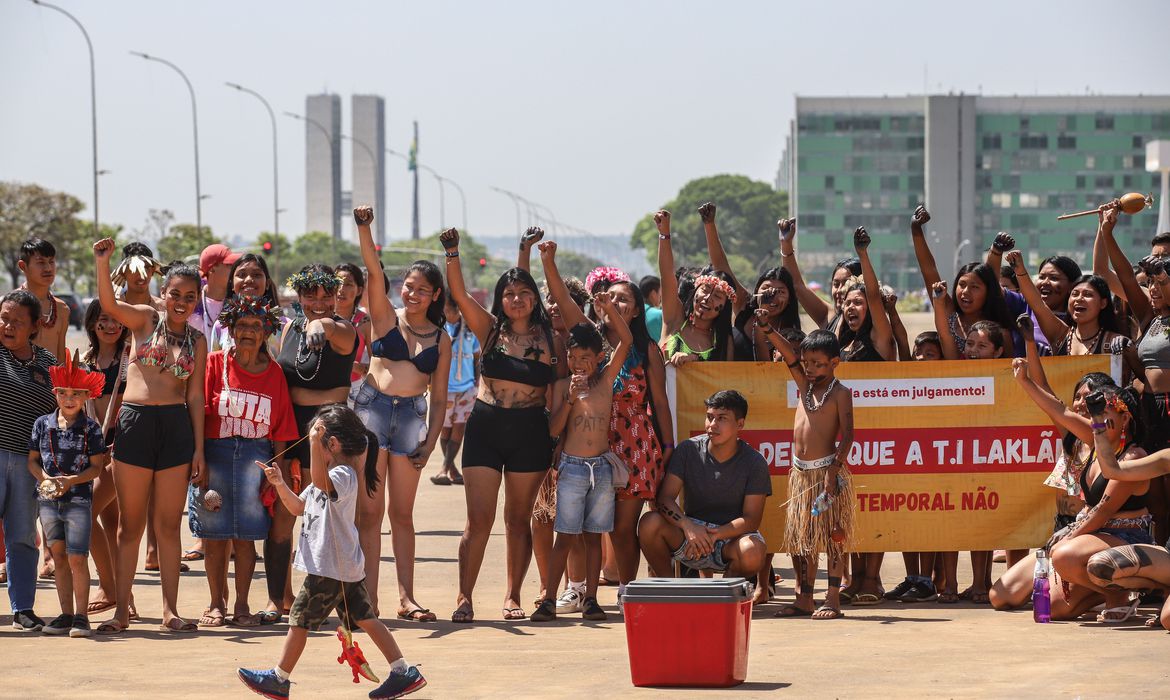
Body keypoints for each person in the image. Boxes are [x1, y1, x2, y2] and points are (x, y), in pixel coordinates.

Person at [239, 407, 426, 700]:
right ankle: (403, 671)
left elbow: (323, 483)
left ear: (333, 445)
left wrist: (314, 442)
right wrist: (279, 484)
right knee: (366, 619)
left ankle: (279, 679)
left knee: (299, 620)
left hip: (330, 568)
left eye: (318, 441)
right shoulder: (323, 480)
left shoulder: (342, 475)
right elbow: (299, 508)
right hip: (342, 566)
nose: (313, 444)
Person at [541, 240, 674, 609]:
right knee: (578, 524)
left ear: (635, 310)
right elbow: (563, 300)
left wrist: (669, 447)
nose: (614, 304)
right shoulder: (591, 339)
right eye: (609, 298)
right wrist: (548, 261)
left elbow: (660, 402)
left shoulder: (645, 349)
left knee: (620, 528)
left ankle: (626, 591)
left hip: (634, 443)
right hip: (589, 443)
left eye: (623, 301)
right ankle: (576, 587)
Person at [441, 227, 559, 623]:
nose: (517, 299)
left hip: (530, 432)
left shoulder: (550, 336)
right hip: (486, 428)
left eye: (524, 293)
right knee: (478, 520)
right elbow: (458, 294)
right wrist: (452, 253)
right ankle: (464, 596)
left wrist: (528, 254)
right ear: (500, 299)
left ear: (534, 297)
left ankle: (512, 596)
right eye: (509, 294)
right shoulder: (490, 329)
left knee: (517, 519)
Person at [91, 237, 207, 635]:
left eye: (190, 297)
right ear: (164, 292)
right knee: (130, 525)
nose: (181, 302)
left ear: (197, 301)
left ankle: (170, 611)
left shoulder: (198, 341)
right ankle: (121, 612)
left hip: (176, 430)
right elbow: (108, 306)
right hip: (135, 423)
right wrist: (102, 262)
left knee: (168, 525)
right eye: (175, 293)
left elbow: (195, 395)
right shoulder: (143, 319)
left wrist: (199, 451)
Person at [353, 206, 451, 621]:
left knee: (403, 514)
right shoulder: (383, 317)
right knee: (370, 513)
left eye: (422, 290)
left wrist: (431, 444)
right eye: (409, 286)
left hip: (413, 417)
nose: (412, 294)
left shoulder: (442, 338)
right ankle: (368, 599)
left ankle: (407, 598)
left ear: (435, 296)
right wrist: (365, 227)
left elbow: (441, 397)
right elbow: (373, 273)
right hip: (373, 412)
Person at [991, 370, 1151, 621]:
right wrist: (1024, 380)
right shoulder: (1096, 438)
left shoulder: (1134, 457)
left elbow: (1104, 511)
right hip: (1089, 535)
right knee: (1003, 595)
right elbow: (1060, 411)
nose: (1096, 423)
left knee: (1063, 559)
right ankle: (1098, 591)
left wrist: (1066, 540)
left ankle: (1118, 594)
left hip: (1124, 537)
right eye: (1095, 418)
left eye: (1104, 416)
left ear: (1125, 419)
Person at [194, 297, 298, 628]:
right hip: (217, 456)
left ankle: (241, 604)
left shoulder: (275, 374)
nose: (248, 332)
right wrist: (199, 458)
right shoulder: (213, 364)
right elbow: (198, 412)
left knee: (246, 537)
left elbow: (281, 427)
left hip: (256, 459)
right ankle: (215, 603)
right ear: (231, 330)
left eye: (256, 326)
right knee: (215, 535)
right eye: (241, 326)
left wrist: (275, 472)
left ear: (267, 331)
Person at [531, 299, 632, 623]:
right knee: (566, 535)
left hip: (601, 468)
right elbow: (553, 429)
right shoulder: (563, 386)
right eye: (573, 358)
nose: (578, 365)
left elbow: (627, 340)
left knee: (593, 537)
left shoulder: (605, 382)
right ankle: (548, 598)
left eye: (585, 359)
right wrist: (571, 398)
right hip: (573, 468)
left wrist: (607, 310)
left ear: (599, 358)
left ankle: (591, 599)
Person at [272, 263, 356, 621]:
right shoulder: (290, 328)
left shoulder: (345, 330)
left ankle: (346, 603)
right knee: (282, 515)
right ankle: (280, 601)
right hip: (291, 429)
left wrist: (321, 326)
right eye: (310, 294)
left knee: (327, 517)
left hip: (330, 434)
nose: (318, 301)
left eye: (326, 294)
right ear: (300, 294)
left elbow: (329, 328)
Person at [758, 328, 855, 619]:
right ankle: (805, 598)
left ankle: (833, 598)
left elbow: (849, 436)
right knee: (805, 538)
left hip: (827, 475)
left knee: (833, 535)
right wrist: (768, 330)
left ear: (835, 362)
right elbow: (789, 356)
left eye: (818, 364)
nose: (810, 369)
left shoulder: (840, 393)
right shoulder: (805, 386)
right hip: (802, 477)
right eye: (807, 363)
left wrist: (833, 470)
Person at [638, 390, 770, 583]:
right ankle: (668, 591)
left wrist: (713, 536)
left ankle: (722, 598)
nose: (712, 425)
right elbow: (665, 498)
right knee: (649, 523)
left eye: (722, 418)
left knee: (753, 551)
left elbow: (751, 520)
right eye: (709, 417)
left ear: (740, 424)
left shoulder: (755, 461)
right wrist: (688, 527)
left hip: (729, 537)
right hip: (689, 533)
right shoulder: (687, 449)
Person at [28, 353, 108, 637]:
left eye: (76, 394)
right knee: (58, 555)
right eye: (64, 393)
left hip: (78, 502)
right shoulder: (42, 424)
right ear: (55, 393)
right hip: (48, 502)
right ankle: (65, 613)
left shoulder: (91, 428)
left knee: (77, 558)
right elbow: (32, 461)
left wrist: (72, 481)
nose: (69, 398)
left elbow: (97, 468)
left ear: (87, 396)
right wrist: (46, 479)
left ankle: (82, 616)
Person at [0, 290, 60, 631]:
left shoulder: (48, 363)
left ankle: (22, 608)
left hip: (28, 465)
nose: (8, 326)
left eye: (17, 321)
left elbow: (61, 411)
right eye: (4, 318)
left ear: (35, 326)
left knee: (22, 537)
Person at [1086, 405, 1170, 629]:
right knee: (1102, 564)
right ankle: (1162, 588)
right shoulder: (1167, 458)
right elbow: (1113, 470)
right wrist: (1097, 423)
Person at [79, 300, 132, 618]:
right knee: (110, 523)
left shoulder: (132, 357)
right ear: (91, 324)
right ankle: (124, 596)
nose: (110, 326)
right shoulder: (85, 360)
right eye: (102, 320)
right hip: (93, 453)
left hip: (122, 453)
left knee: (82, 515)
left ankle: (109, 588)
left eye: (116, 320)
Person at [655, 210, 736, 364]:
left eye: (717, 296)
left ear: (725, 306)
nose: (707, 298)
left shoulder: (724, 342)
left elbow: (725, 382)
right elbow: (667, 275)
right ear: (695, 292)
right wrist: (664, 234)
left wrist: (695, 361)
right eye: (705, 290)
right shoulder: (674, 319)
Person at [1006, 251, 1122, 356]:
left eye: (1087, 295)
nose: (1079, 299)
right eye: (1075, 294)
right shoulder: (1061, 336)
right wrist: (1020, 271)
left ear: (1103, 303)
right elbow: (1037, 304)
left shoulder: (1115, 342)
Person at [779, 217, 862, 333]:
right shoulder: (828, 316)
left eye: (846, 283)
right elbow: (796, 285)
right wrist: (786, 243)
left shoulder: (876, 323)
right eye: (836, 284)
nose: (839, 290)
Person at [433, 294, 479, 486]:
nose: (448, 312)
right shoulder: (439, 329)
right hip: (446, 388)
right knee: (445, 430)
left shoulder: (469, 329)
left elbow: (477, 358)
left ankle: (445, 468)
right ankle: (450, 468)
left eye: (451, 309)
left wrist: (477, 383)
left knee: (458, 429)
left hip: (467, 388)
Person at [17, 237, 68, 362]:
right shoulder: (8, 305)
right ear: (23, 266)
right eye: (40, 262)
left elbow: (60, 359)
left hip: (51, 381)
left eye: (51, 262)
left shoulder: (62, 309)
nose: (48, 268)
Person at [335, 262, 373, 388]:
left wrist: (359, 368)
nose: (341, 289)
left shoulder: (365, 322)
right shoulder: (322, 318)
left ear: (359, 290)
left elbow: (378, 365)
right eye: (338, 282)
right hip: (323, 388)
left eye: (348, 284)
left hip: (353, 391)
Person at [189, 243, 240, 339]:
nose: (235, 270)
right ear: (212, 269)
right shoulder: (192, 302)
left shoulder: (240, 304)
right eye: (229, 265)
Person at [111, 242, 163, 308]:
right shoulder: (113, 309)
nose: (141, 274)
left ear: (152, 271)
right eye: (134, 268)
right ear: (123, 272)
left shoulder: (164, 309)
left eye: (146, 267)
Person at [639, 275, 663, 342]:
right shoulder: (660, 315)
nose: (661, 297)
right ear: (653, 294)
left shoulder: (634, 312)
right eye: (660, 292)